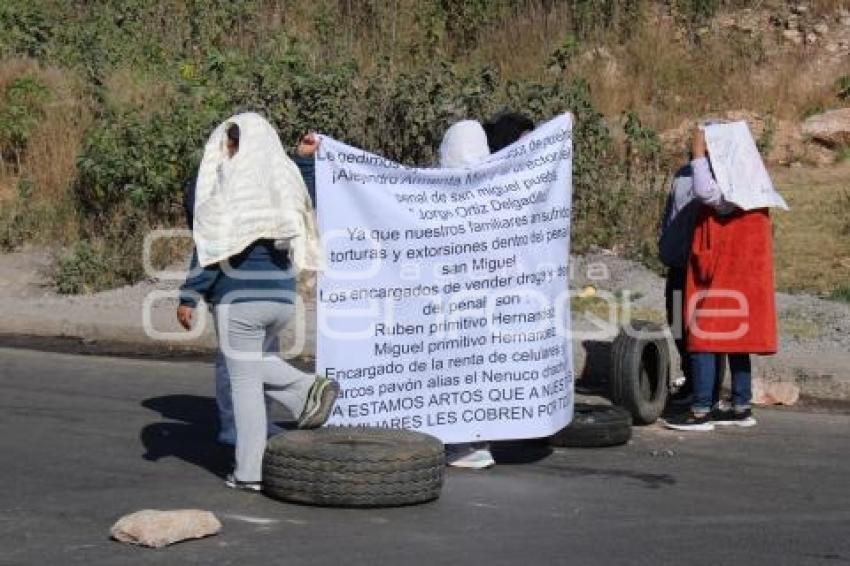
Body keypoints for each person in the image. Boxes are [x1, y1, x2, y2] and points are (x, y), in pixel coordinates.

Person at [178, 115, 338, 491]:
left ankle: (252, 469)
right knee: (255, 366)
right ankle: (303, 396)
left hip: (240, 300)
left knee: (244, 382)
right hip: (283, 298)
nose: (224, 152)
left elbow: (211, 248)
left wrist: (190, 295)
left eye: (228, 145)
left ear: (236, 146)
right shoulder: (281, 181)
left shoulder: (230, 188)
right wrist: (304, 159)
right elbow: (306, 200)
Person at [663, 126, 778, 432]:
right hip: (746, 275)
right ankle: (741, 407)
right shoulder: (756, 184)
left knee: (703, 336)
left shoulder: (727, 191)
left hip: (721, 272)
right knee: (738, 339)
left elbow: (705, 190)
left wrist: (699, 150)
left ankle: (700, 410)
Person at [438, 119, 496, 470]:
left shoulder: (436, 195)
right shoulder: (499, 191)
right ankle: (475, 439)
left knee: (453, 369)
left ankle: (461, 443)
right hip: (484, 300)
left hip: (452, 301)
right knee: (476, 367)